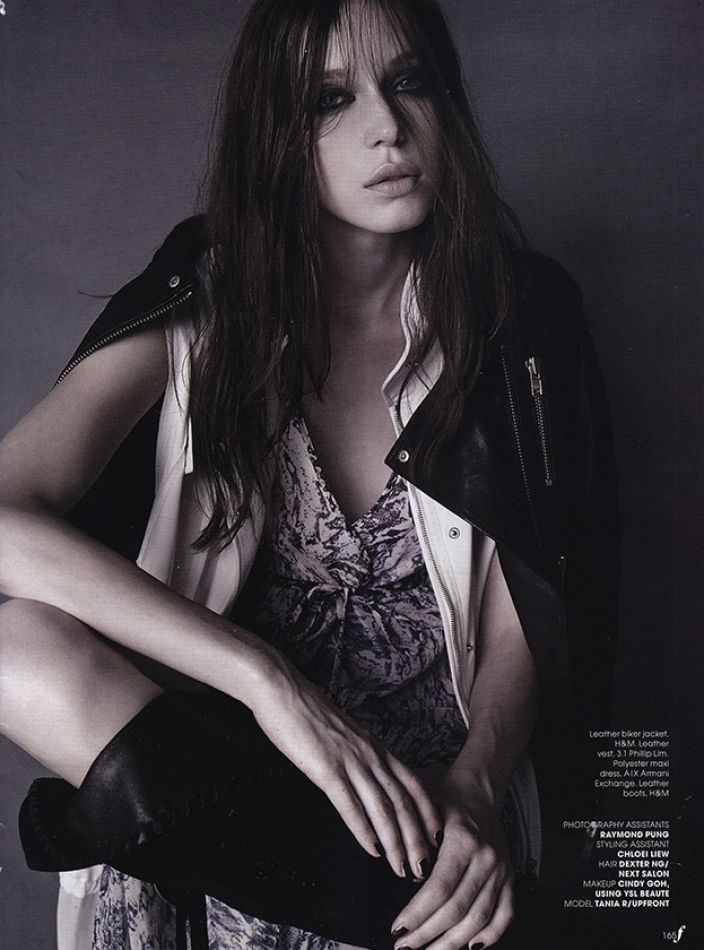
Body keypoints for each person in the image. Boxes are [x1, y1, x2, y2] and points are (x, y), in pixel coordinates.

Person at [0, 1, 618, 948]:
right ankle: (363, 901)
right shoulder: (201, 303)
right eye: (331, 99)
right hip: (225, 789)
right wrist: (269, 685)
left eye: (409, 83)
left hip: (429, 807)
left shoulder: (521, 317)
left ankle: (382, 892)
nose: (387, 127)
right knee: (13, 645)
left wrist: (480, 789)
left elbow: (531, 609)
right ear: (275, 135)